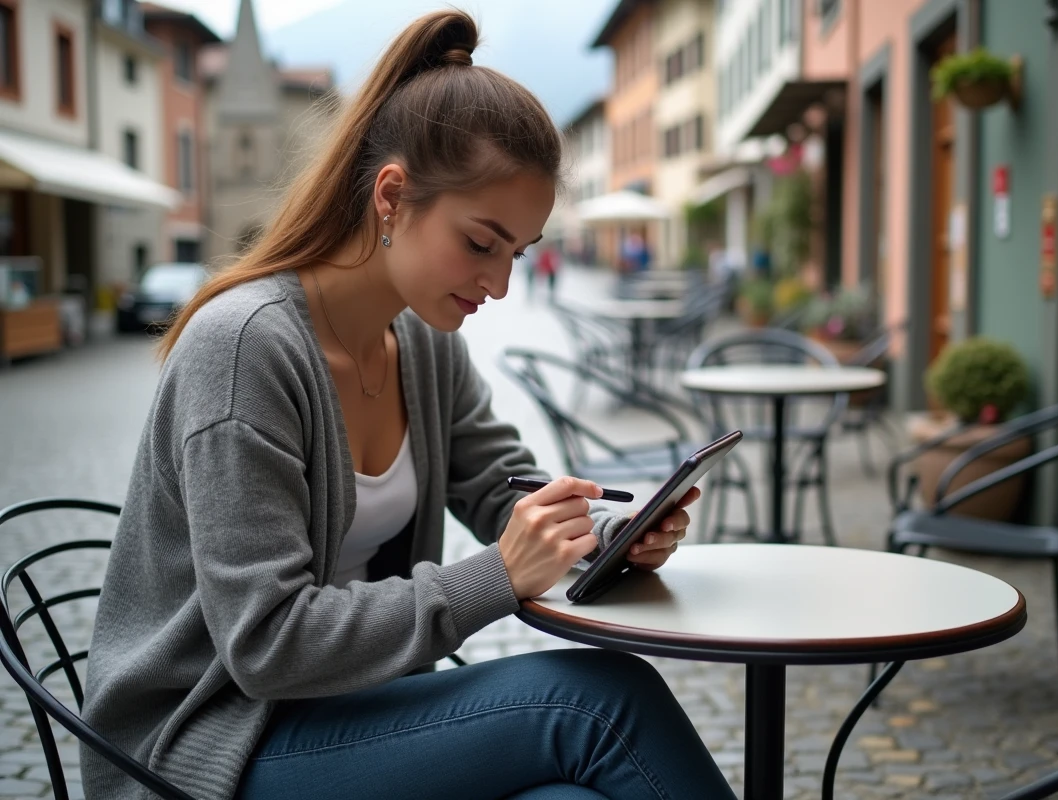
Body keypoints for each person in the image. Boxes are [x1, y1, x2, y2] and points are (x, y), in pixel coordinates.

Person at [80, 11, 736, 800]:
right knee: (599, 704)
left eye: (519, 254)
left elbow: (501, 486)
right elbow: (266, 644)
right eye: (481, 242)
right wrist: (494, 577)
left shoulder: (420, 343)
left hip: (349, 710)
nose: (500, 284)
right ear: (392, 196)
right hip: (208, 744)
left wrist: (603, 536)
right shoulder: (245, 349)